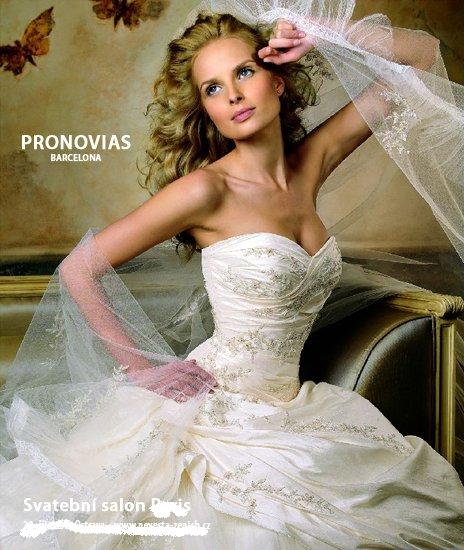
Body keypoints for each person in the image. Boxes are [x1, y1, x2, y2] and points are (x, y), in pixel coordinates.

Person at [1, 2, 464, 548]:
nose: (234, 96)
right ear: (206, 109)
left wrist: (319, 33)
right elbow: (79, 269)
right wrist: (142, 372)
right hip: (214, 411)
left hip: (294, 409)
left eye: (244, 72)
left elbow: (424, 57)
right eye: (213, 88)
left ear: (278, 80)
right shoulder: (206, 190)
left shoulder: (311, 163)